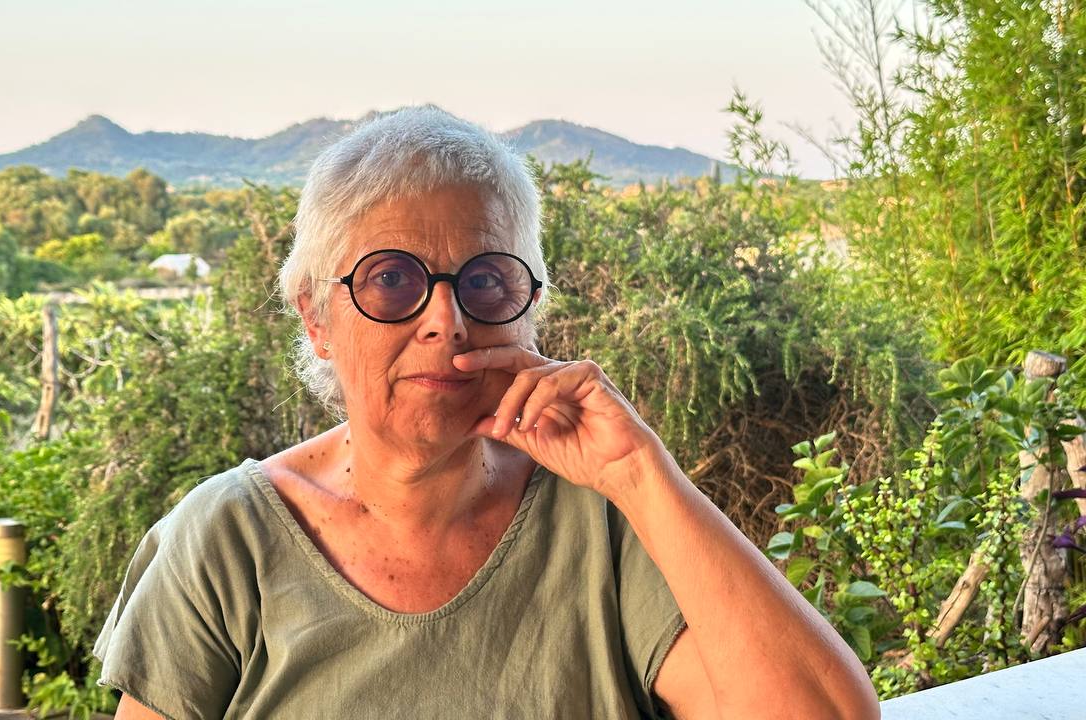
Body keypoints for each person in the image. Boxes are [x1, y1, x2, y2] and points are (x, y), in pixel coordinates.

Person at [93, 106, 881, 719]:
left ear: (528, 308)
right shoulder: (227, 541)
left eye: (484, 280)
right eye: (391, 279)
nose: (447, 322)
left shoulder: (603, 519)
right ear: (316, 318)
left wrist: (642, 475)